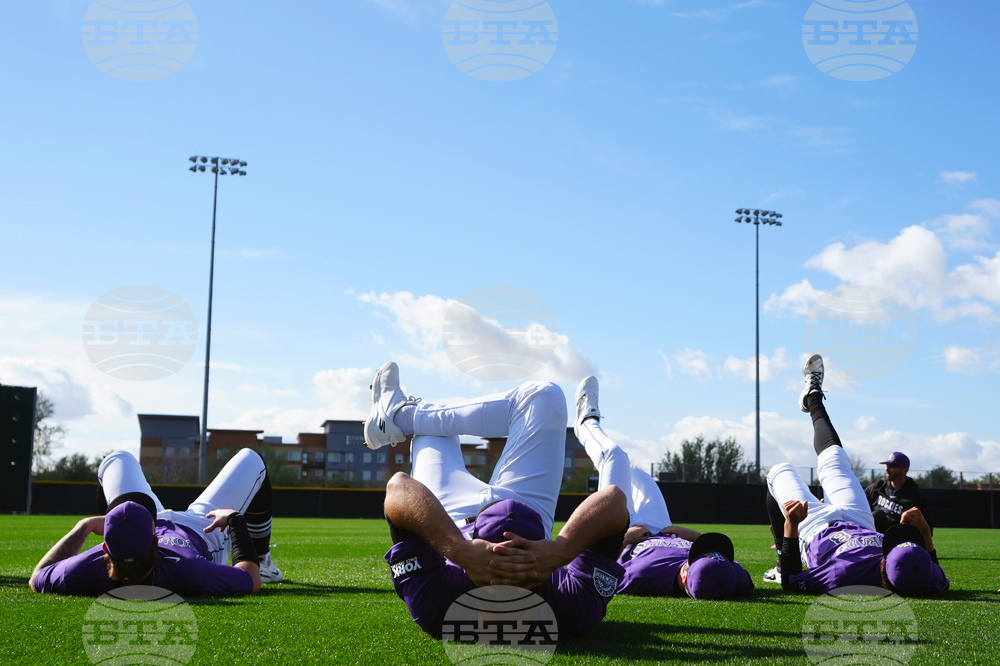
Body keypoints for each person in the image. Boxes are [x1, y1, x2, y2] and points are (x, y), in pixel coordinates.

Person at [365, 361, 629, 639]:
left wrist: (460, 550)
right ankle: (403, 416)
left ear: (474, 575)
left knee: (433, 431)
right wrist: (560, 550)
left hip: (452, 515)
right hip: (529, 509)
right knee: (544, 395)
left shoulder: (439, 607)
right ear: (540, 572)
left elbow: (399, 487)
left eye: (498, 573)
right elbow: (613, 499)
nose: (508, 586)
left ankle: (401, 418)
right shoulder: (573, 609)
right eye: (520, 570)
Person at [763, 354, 948, 595]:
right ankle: (813, 397)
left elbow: (792, 582)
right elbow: (931, 570)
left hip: (814, 529)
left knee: (780, 470)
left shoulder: (844, 573)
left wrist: (791, 525)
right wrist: (923, 531)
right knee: (835, 457)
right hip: (860, 522)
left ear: (885, 563)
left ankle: (779, 562)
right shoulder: (925, 576)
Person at [572, 375, 754, 600]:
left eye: (693, 561)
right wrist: (687, 535)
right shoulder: (731, 576)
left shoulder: (642, 576)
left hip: (624, 534)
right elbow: (721, 561)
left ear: (685, 578)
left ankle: (586, 423)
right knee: (638, 476)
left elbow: (594, 567)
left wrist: (624, 538)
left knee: (615, 456)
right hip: (661, 529)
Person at [29, 448, 283, 596]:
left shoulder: (85, 570)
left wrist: (83, 526)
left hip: (147, 525)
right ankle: (265, 562)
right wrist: (235, 521)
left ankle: (121, 528)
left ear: (105, 547)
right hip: (203, 530)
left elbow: (37, 577)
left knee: (117, 458)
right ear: (155, 542)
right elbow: (250, 580)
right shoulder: (190, 571)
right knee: (251, 458)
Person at [865, 450, 932, 533]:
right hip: (872, 535)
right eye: (887, 465)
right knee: (878, 515)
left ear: (905, 470)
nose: (887, 469)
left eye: (893, 466)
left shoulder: (915, 497)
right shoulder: (877, 488)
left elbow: (926, 529)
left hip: (897, 537)